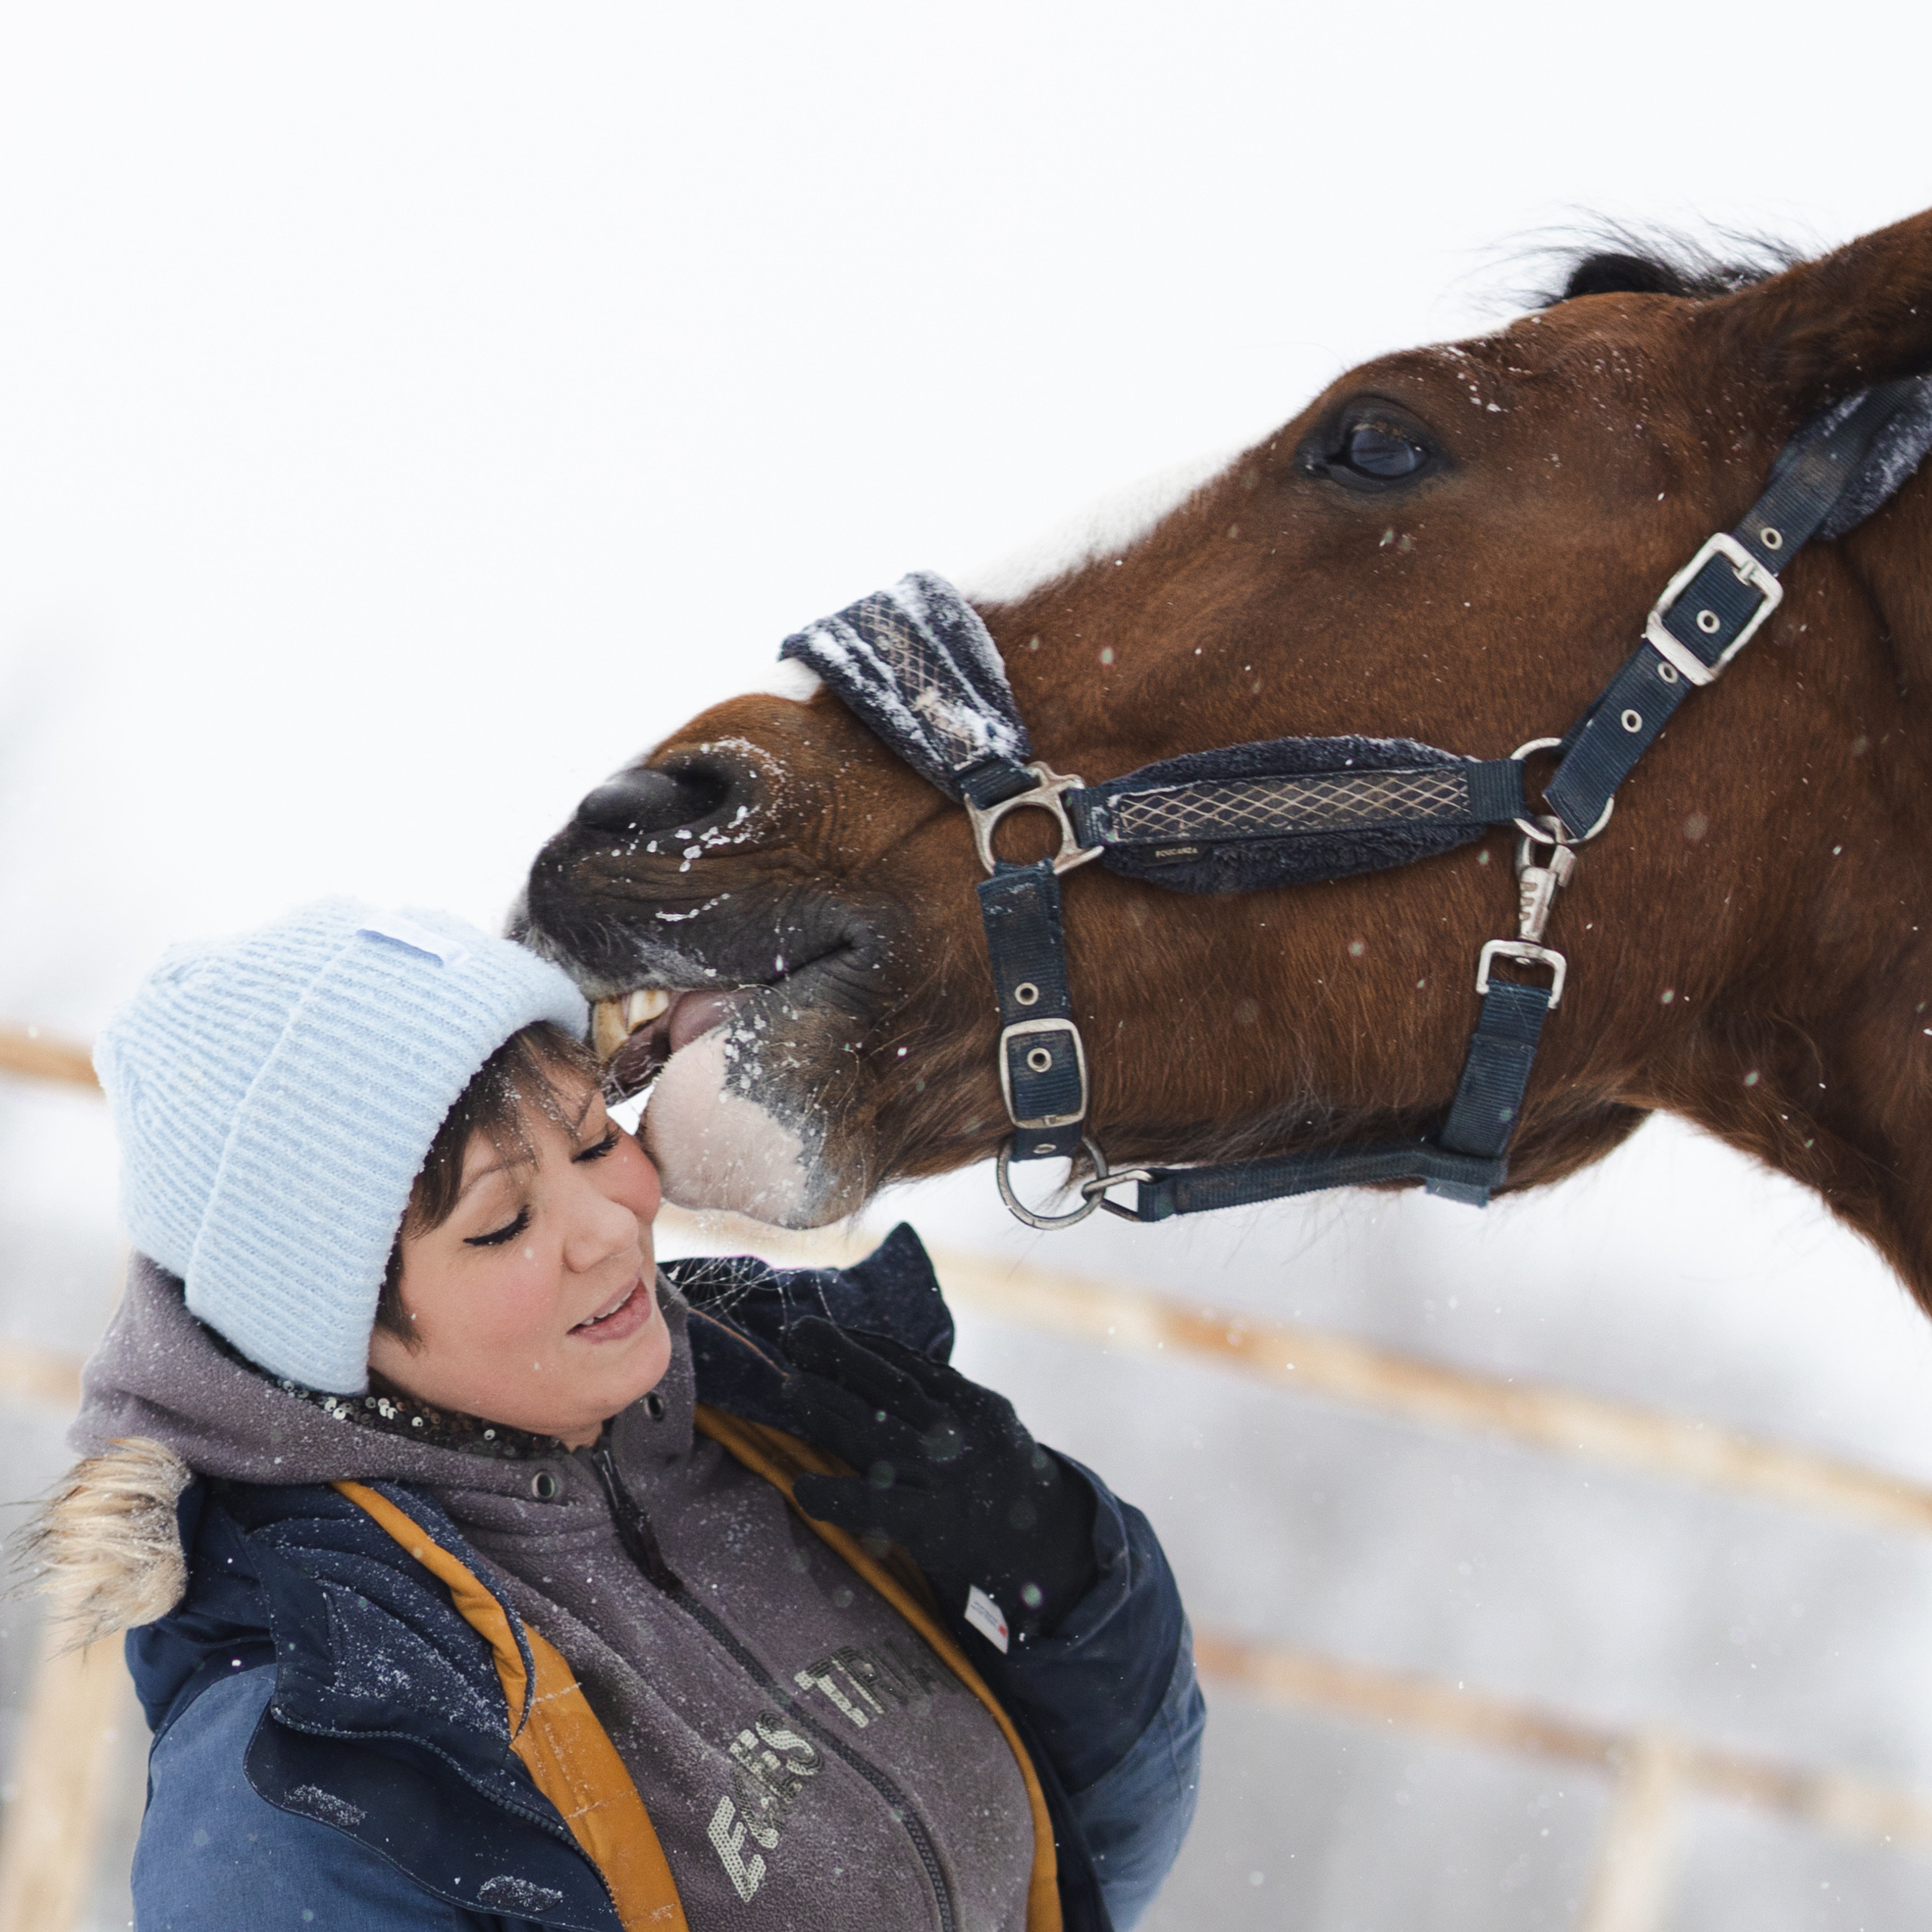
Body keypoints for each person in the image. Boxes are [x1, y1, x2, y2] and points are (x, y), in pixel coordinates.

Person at [30, 900, 1202, 1931]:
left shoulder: (786, 1415)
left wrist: (1083, 1592)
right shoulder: (309, 1754)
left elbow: (1080, 1877)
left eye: (596, 1139)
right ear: (336, 1340)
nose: (607, 1224)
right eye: (501, 1222)